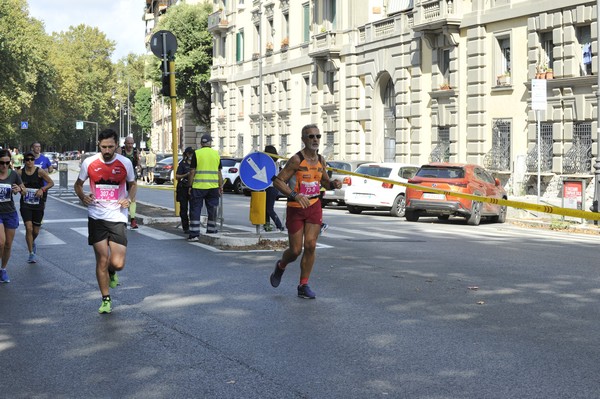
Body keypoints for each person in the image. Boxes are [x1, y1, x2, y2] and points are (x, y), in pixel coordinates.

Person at [269, 124, 341, 299]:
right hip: (296, 208)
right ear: (303, 139)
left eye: (318, 136)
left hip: (314, 205)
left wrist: (333, 184)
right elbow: (277, 181)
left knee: (310, 245)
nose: (315, 139)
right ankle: (281, 266)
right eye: (311, 137)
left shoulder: (321, 160)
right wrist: (294, 195)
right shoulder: (296, 160)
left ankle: (303, 285)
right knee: (295, 250)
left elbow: (324, 182)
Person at [74, 129, 137, 314]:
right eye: (104, 147)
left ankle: (112, 272)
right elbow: (78, 185)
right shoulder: (89, 163)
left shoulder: (126, 163)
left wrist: (129, 199)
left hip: (118, 216)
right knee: (102, 259)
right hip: (96, 216)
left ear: (117, 145)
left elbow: (133, 184)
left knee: (117, 263)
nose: (107, 150)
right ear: (98, 145)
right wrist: (82, 197)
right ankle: (106, 299)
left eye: (110, 146)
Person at [19, 151, 54, 263]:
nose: (30, 161)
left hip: (38, 204)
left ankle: (32, 241)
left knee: (35, 231)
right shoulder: (19, 173)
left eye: (32, 159)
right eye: (27, 159)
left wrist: (42, 189)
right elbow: (13, 185)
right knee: (28, 228)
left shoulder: (40, 171)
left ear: (34, 160)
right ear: (24, 161)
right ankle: (31, 253)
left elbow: (51, 183)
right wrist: (20, 189)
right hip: (25, 204)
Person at [188, 134, 223, 239]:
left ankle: (194, 234)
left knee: (195, 209)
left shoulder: (197, 153)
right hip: (213, 187)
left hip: (198, 187)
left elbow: (192, 171)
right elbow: (219, 172)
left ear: (201, 143)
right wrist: (220, 186)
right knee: (212, 209)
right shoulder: (216, 154)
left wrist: (190, 185)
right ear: (210, 143)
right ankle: (211, 230)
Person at [0, 149, 26, 283]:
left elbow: (24, 191)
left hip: (10, 212)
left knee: (8, 245)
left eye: (7, 163)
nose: (4, 166)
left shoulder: (14, 175)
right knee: (1, 241)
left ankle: (3, 269)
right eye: (1, 163)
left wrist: (19, 189)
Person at [119, 137, 140, 229]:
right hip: (122, 176)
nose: (130, 146)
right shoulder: (121, 150)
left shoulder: (135, 151)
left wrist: (139, 167)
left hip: (132, 176)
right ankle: (121, 219)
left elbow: (138, 162)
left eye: (132, 143)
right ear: (125, 143)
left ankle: (133, 220)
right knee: (121, 197)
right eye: (128, 143)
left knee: (132, 198)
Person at [263, 145, 284, 232]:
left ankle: (279, 225)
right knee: (266, 208)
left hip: (271, 187)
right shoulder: (275, 162)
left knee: (269, 208)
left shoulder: (270, 163)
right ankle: (266, 225)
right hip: (271, 187)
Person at [176, 147, 194, 234]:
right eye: (191, 154)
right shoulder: (182, 164)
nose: (192, 156)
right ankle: (185, 227)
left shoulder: (195, 164)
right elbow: (177, 176)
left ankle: (193, 226)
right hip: (183, 188)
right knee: (183, 209)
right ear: (187, 154)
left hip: (192, 188)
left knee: (193, 208)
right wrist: (186, 174)